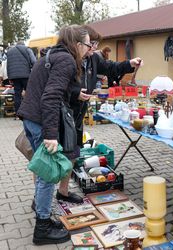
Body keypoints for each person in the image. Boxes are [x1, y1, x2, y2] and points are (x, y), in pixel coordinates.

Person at [17, 25, 92, 245]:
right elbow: (50, 97)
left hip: (31, 119)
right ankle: (42, 228)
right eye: (88, 45)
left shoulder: (50, 55)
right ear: (77, 44)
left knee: (43, 174)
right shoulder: (67, 60)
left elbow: (41, 88)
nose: (89, 50)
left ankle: (43, 216)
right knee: (48, 176)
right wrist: (51, 135)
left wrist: (74, 94)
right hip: (41, 122)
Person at [55, 25, 142, 205]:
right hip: (61, 112)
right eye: (91, 43)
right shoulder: (67, 59)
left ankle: (63, 192)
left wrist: (129, 64)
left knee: (73, 152)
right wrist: (75, 93)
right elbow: (56, 86)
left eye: (95, 43)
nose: (94, 47)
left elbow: (111, 67)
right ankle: (42, 197)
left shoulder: (93, 59)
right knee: (53, 154)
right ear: (80, 43)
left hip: (78, 114)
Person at [7, 40, 36, 115]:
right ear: (24, 44)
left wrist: (10, 77)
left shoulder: (10, 51)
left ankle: (18, 112)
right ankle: (29, 111)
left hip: (15, 76)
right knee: (29, 93)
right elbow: (34, 61)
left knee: (17, 94)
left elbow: (8, 65)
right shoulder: (27, 49)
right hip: (26, 75)